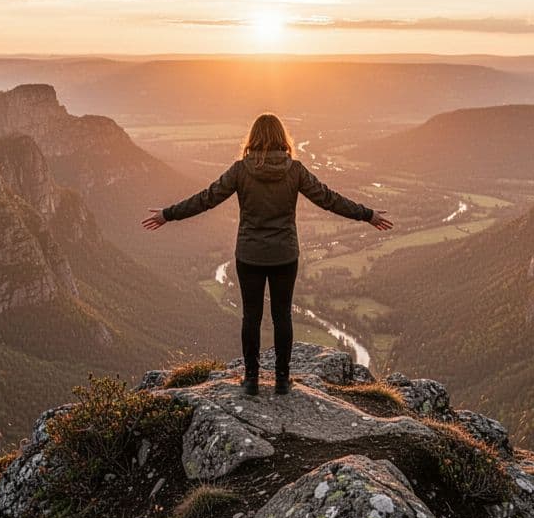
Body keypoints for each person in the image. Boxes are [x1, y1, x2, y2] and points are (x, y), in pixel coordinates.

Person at [142, 113, 393, 396]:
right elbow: (329, 199)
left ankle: (251, 380)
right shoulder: (295, 170)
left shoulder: (240, 170)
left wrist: (168, 214)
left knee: (251, 316)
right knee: (282, 316)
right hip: (284, 255)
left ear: (253, 139)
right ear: (282, 139)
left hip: (249, 255)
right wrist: (367, 214)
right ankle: (283, 380)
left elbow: (206, 198)